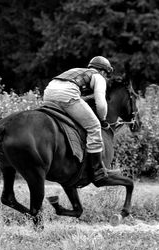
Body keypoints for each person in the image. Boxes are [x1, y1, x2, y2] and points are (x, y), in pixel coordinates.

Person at [43, 56, 115, 186]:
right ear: (104, 71)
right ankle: (97, 170)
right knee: (94, 126)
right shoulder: (98, 77)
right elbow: (101, 103)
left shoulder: (77, 70)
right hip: (66, 95)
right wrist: (103, 119)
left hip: (48, 93)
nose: (105, 76)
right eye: (106, 74)